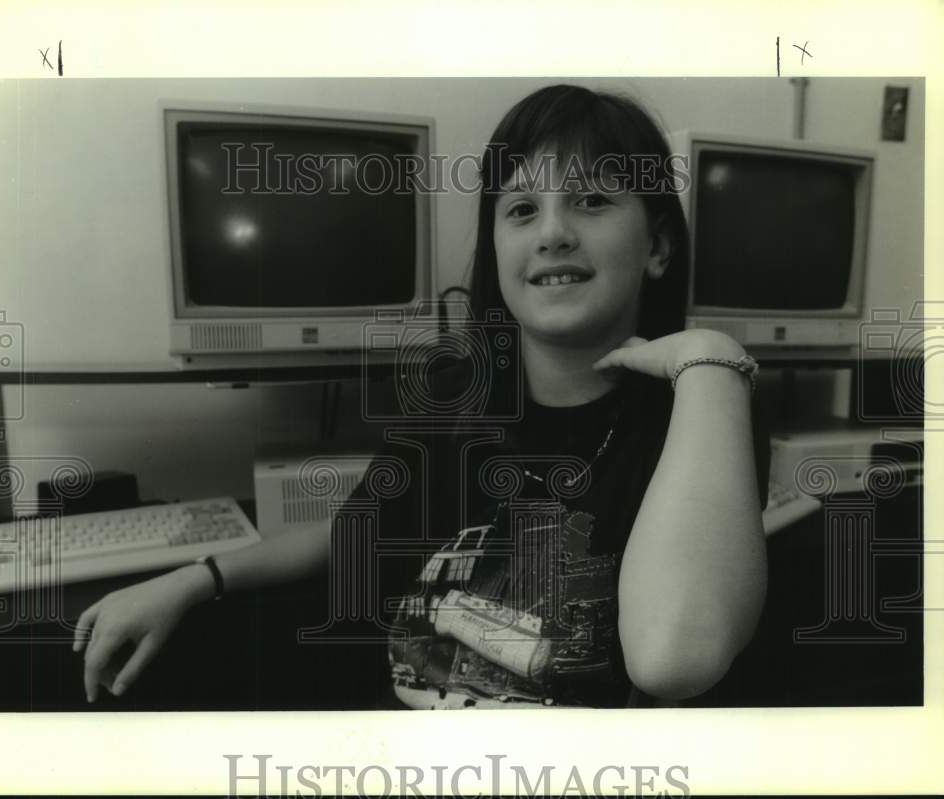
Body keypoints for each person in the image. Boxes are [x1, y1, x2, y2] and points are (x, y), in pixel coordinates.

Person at [74, 84, 768, 709]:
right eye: (521, 208)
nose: (554, 232)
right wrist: (194, 578)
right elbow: (352, 535)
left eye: (592, 199)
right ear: (497, 246)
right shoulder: (452, 398)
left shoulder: (702, 419)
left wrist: (712, 357)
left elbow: (676, 656)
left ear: (658, 246)